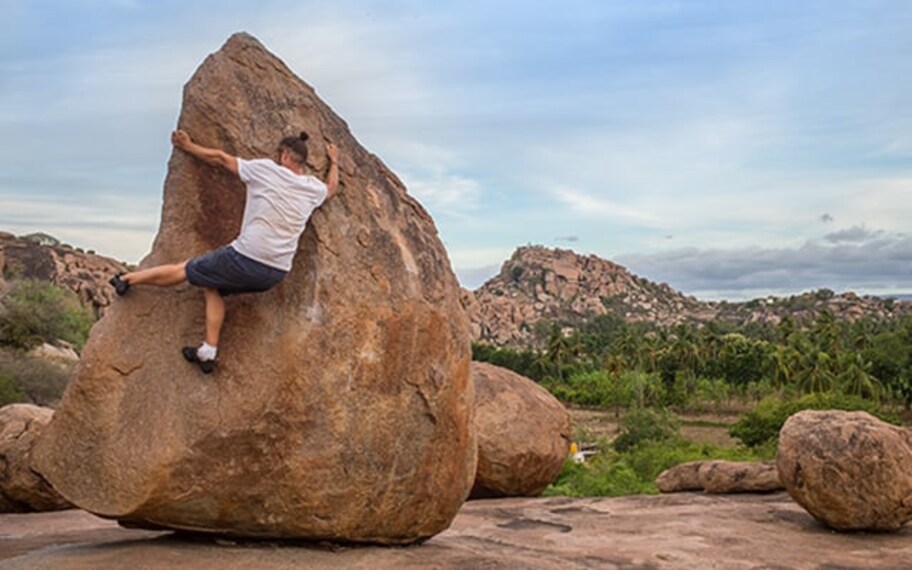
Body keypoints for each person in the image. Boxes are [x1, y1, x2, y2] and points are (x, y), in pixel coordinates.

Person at [109, 129, 340, 373]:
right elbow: (331, 188)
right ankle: (207, 353)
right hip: (275, 272)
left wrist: (188, 146)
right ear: (302, 162)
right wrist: (334, 162)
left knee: (186, 269)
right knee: (214, 286)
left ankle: (127, 280)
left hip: (245, 257)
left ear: (284, 155)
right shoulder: (312, 188)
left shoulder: (266, 170)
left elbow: (220, 159)